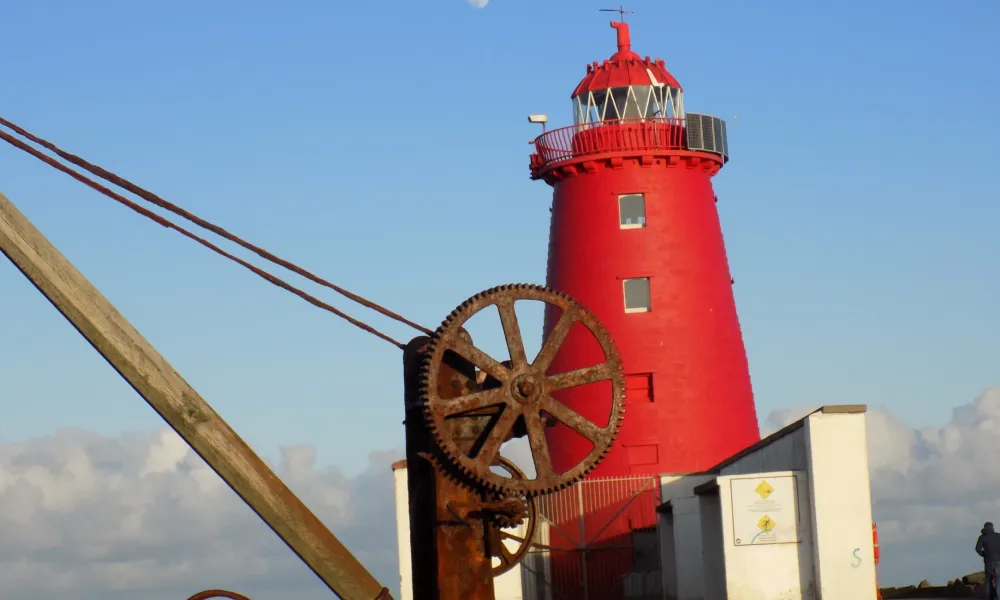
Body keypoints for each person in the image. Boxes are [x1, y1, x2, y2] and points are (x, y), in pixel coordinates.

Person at [976, 522, 1000, 599]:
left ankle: (988, 597)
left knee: (988, 580)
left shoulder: (982, 537)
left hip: (988, 561)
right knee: (998, 580)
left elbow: (978, 549)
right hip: (999, 561)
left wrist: (984, 554)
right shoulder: (998, 536)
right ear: (992, 527)